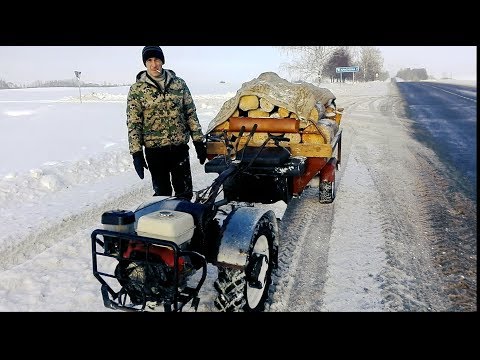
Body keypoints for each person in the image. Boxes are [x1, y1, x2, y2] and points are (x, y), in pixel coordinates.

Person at [126, 46, 207, 200]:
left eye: (157, 59)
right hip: (154, 151)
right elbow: (133, 123)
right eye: (149, 60)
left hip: (179, 149)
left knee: (184, 193)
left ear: (162, 61)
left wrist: (198, 142)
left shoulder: (178, 84)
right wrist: (136, 153)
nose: (153, 64)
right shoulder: (137, 89)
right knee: (162, 196)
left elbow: (190, 114)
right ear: (145, 63)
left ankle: (186, 222)